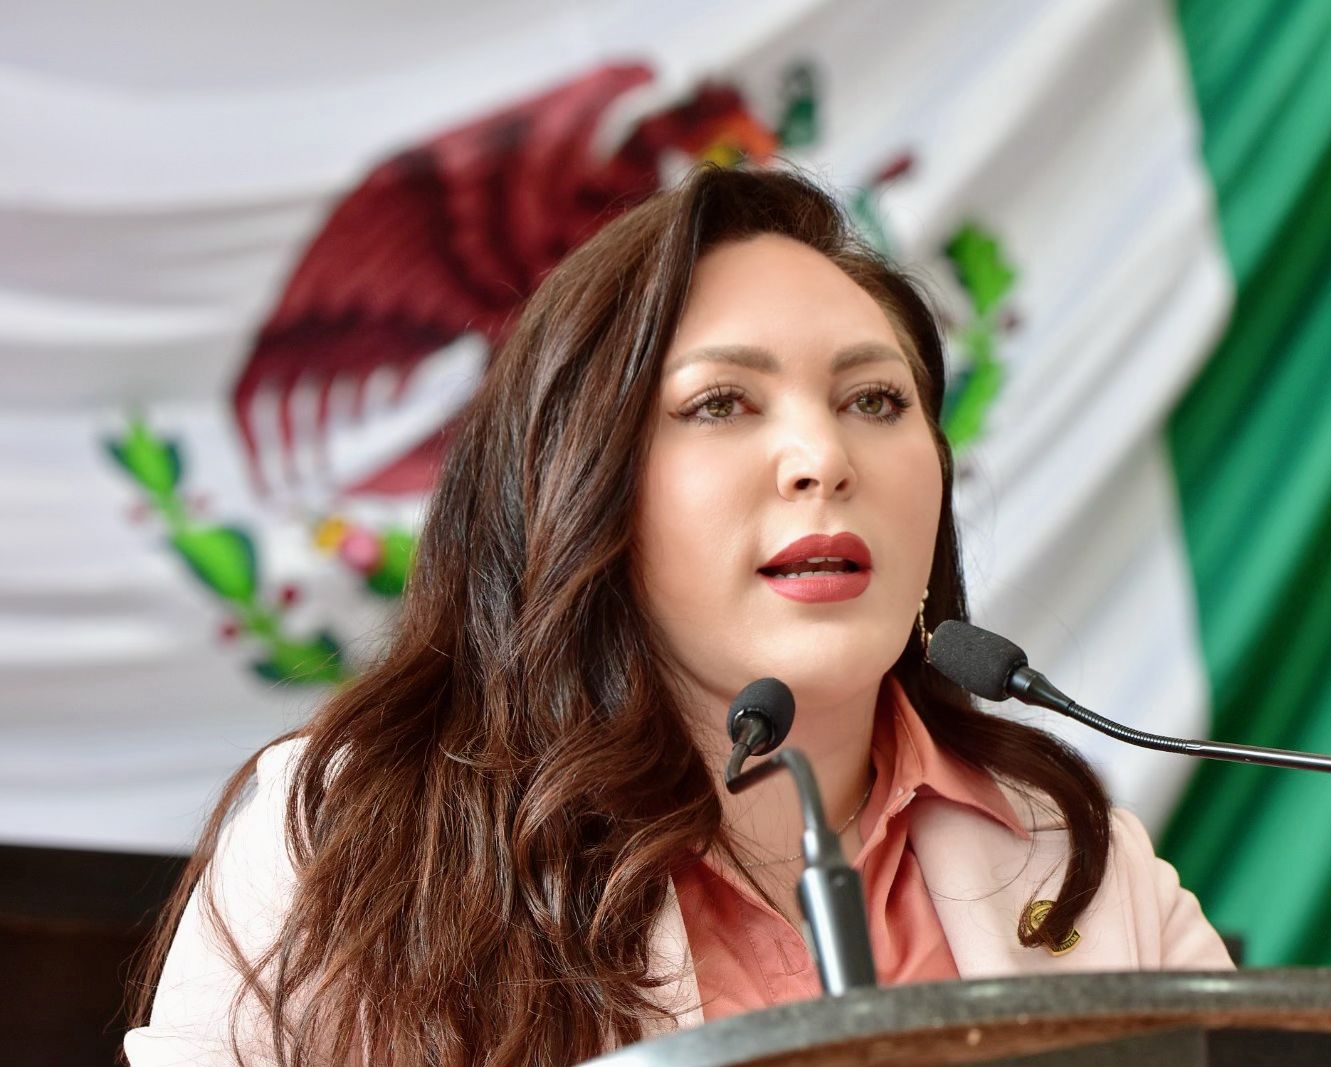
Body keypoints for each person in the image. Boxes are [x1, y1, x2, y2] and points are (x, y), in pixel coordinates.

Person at [124, 164, 1232, 1067]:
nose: (822, 457)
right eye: (721, 402)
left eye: (874, 399)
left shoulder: (1078, 855)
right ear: (584, 484)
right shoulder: (350, 835)